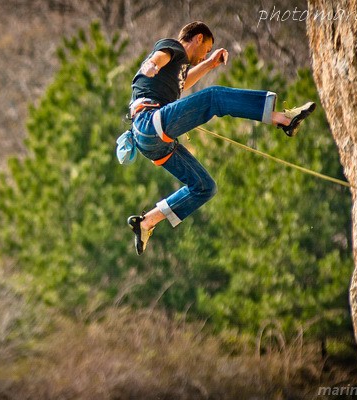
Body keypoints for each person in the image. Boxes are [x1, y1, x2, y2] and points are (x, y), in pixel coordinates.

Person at [126, 21, 315, 255]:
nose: (204, 53)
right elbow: (159, 56)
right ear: (198, 38)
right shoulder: (172, 47)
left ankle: (146, 222)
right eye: (206, 49)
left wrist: (210, 63)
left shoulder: (176, 74)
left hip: (152, 141)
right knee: (214, 96)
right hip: (148, 123)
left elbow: (184, 82)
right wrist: (151, 65)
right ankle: (282, 119)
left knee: (205, 187)